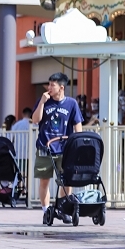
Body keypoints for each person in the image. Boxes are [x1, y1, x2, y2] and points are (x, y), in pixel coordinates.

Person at [31, 72, 83, 223]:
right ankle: (46, 210)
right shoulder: (44, 101)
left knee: (66, 181)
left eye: (52, 85)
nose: (49, 88)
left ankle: (62, 208)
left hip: (64, 149)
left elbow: (77, 125)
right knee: (44, 181)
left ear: (61, 87)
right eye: (49, 84)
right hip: (45, 147)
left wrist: (77, 144)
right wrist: (41, 102)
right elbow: (35, 120)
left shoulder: (71, 103)